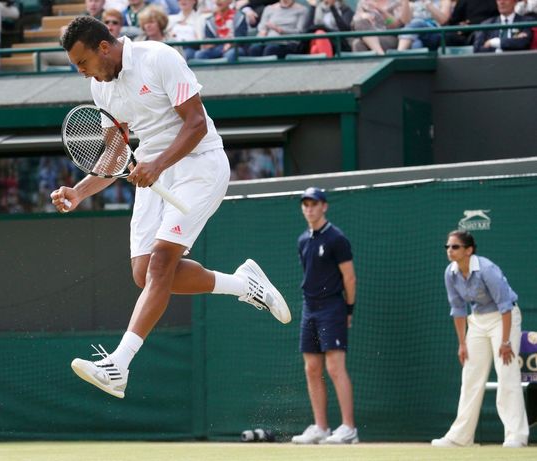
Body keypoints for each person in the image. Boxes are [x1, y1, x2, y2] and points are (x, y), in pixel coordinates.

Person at [51, 16, 291, 399]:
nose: (81, 72)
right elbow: (115, 154)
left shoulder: (158, 58)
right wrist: (80, 192)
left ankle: (118, 365)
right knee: (145, 274)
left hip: (200, 163)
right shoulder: (100, 89)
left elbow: (196, 124)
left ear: (104, 47)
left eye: (82, 62)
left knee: (162, 263)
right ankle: (244, 284)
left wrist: (157, 164)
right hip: (155, 168)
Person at [431, 230, 529, 448]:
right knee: (470, 376)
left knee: (507, 373)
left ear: (469, 250)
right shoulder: (450, 273)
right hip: (477, 321)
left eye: (455, 247)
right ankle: (460, 437)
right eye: (447, 247)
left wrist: (505, 342)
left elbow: (505, 306)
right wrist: (462, 344)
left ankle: (516, 436)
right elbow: (458, 310)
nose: (449, 251)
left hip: (504, 319)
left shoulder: (487, 269)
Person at [291, 187, 358, 445]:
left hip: (332, 307)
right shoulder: (302, 240)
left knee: (334, 367)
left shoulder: (336, 238)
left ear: (324, 206)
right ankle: (321, 427)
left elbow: (349, 277)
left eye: (314, 204)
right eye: (305, 204)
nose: (309, 208)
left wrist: (348, 310)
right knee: (311, 368)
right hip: (310, 307)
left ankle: (349, 428)